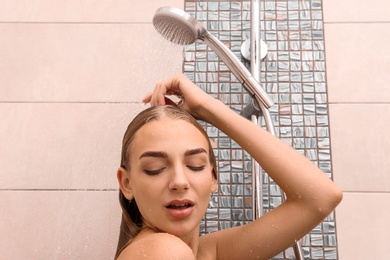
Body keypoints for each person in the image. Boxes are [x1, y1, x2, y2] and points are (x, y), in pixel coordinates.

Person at [115, 74, 343, 260]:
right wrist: (210, 108)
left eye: (195, 165)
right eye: (154, 168)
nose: (179, 182)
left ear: (214, 177)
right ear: (127, 183)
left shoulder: (208, 252)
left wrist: (207, 105)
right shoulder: (163, 251)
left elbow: (321, 198)